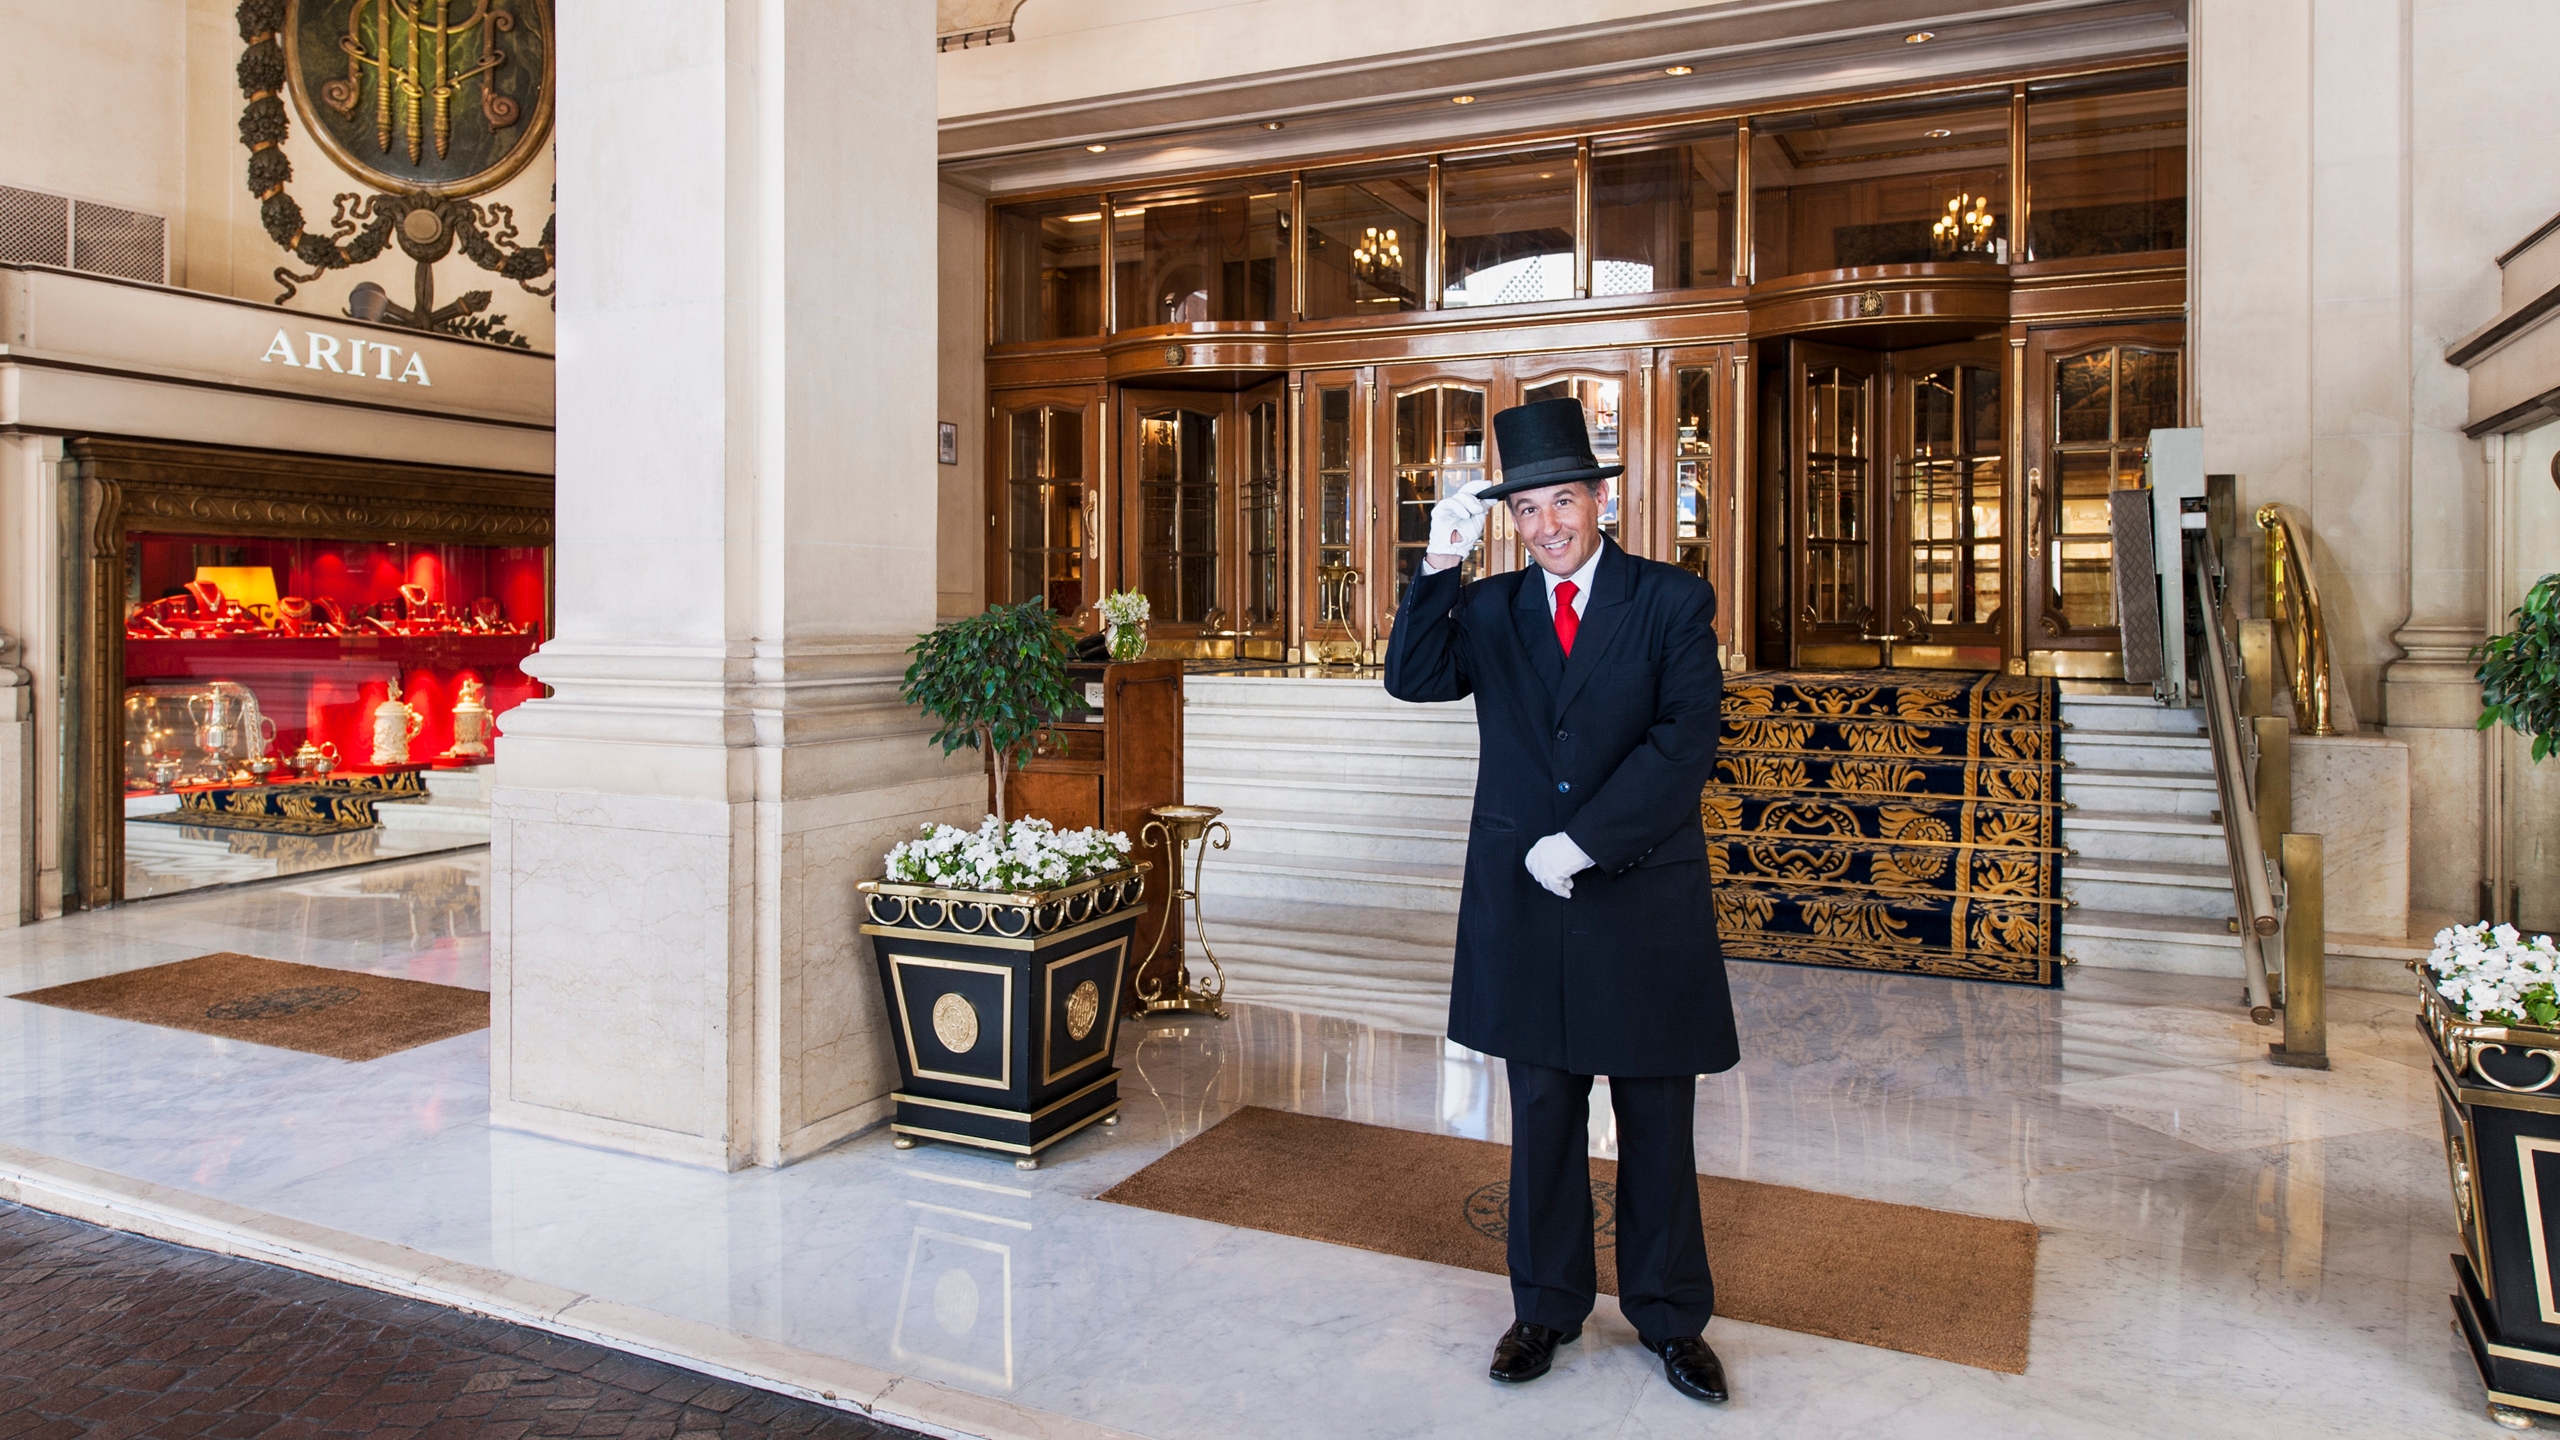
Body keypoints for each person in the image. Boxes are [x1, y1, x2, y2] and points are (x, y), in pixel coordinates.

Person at [1383, 396, 1738, 1405]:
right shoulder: (1491, 607)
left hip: (1640, 898)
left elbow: (1685, 743)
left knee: (1656, 1120)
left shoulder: (1670, 600)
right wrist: (1437, 565)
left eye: (1563, 502)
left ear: (1600, 501)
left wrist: (1585, 841)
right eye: (1526, 509)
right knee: (1541, 1114)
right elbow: (1413, 680)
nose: (1546, 526)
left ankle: (1670, 1319)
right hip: (1526, 908)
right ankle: (1543, 1307)